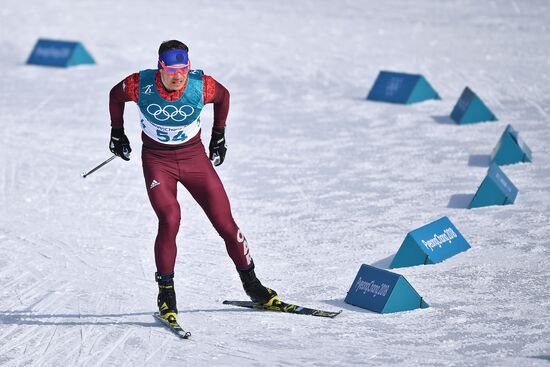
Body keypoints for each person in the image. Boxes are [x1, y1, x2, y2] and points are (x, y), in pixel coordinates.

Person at [108, 40, 278, 321]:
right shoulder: (139, 84)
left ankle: (253, 286)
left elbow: (224, 97)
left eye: (183, 69)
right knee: (170, 218)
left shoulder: (203, 85)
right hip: (158, 161)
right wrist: (117, 132)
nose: (178, 76)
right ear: (160, 67)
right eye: (172, 70)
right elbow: (115, 96)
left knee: (226, 224)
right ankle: (166, 294)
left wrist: (219, 135)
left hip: (194, 160)